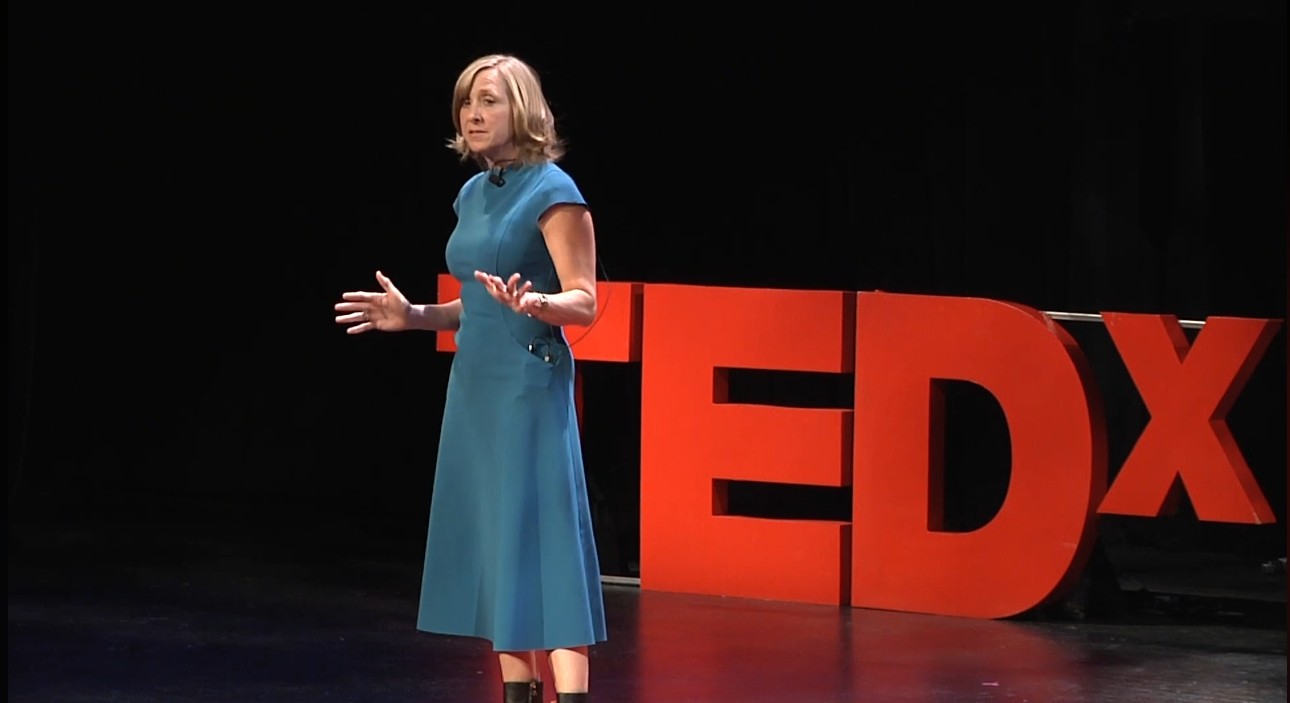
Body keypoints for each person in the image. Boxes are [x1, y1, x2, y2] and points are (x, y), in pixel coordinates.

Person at [333, 54, 606, 703]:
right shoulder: (473, 193)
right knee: (497, 542)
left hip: (528, 385)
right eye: (465, 102)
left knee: (543, 543)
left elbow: (586, 300)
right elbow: (475, 305)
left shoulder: (555, 193)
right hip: (475, 388)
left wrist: (539, 303)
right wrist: (414, 316)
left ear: (523, 109)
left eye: (488, 100)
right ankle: (518, 690)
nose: (472, 115)